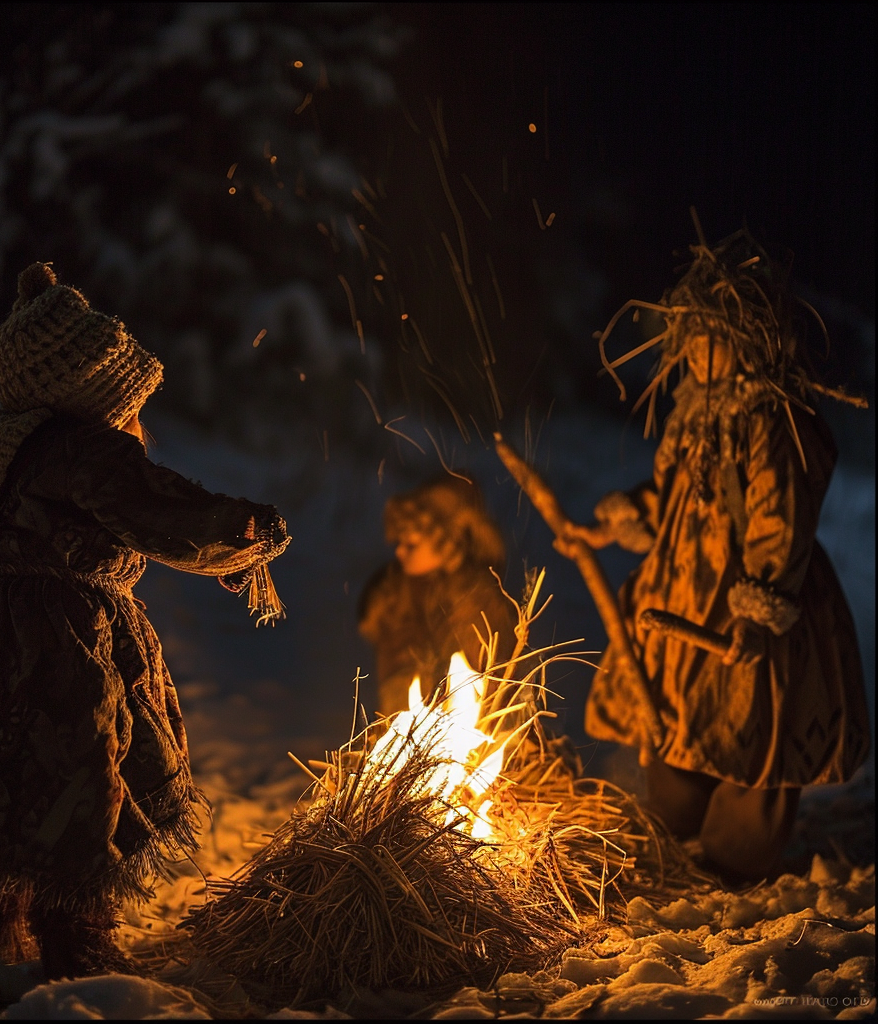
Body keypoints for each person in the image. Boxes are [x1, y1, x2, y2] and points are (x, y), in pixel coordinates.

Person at [0, 262, 290, 979]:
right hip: (60, 638)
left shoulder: (2, 441)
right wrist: (246, 530)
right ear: (87, 384)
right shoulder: (86, 449)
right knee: (78, 765)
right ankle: (75, 939)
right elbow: (161, 512)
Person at [565, 230, 870, 882]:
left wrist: (760, 599)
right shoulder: (691, 412)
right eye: (692, 337)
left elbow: (778, 517)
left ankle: (739, 852)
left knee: (752, 717)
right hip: (679, 586)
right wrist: (615, 524)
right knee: (674, 709)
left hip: (748, 598)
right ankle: (679, 828)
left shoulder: (772, 418)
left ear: (748, 336)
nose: (699, 352)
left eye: (714, 336)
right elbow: (673, 494)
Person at [358, 475, 518, 717]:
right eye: (399, 542)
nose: (399, 551)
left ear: (447, 542)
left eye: (411, 544)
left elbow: (490, 673)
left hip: (466, 726)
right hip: (404, 726)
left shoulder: (476, 594)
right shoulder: (395, 594)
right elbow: (394, 673)